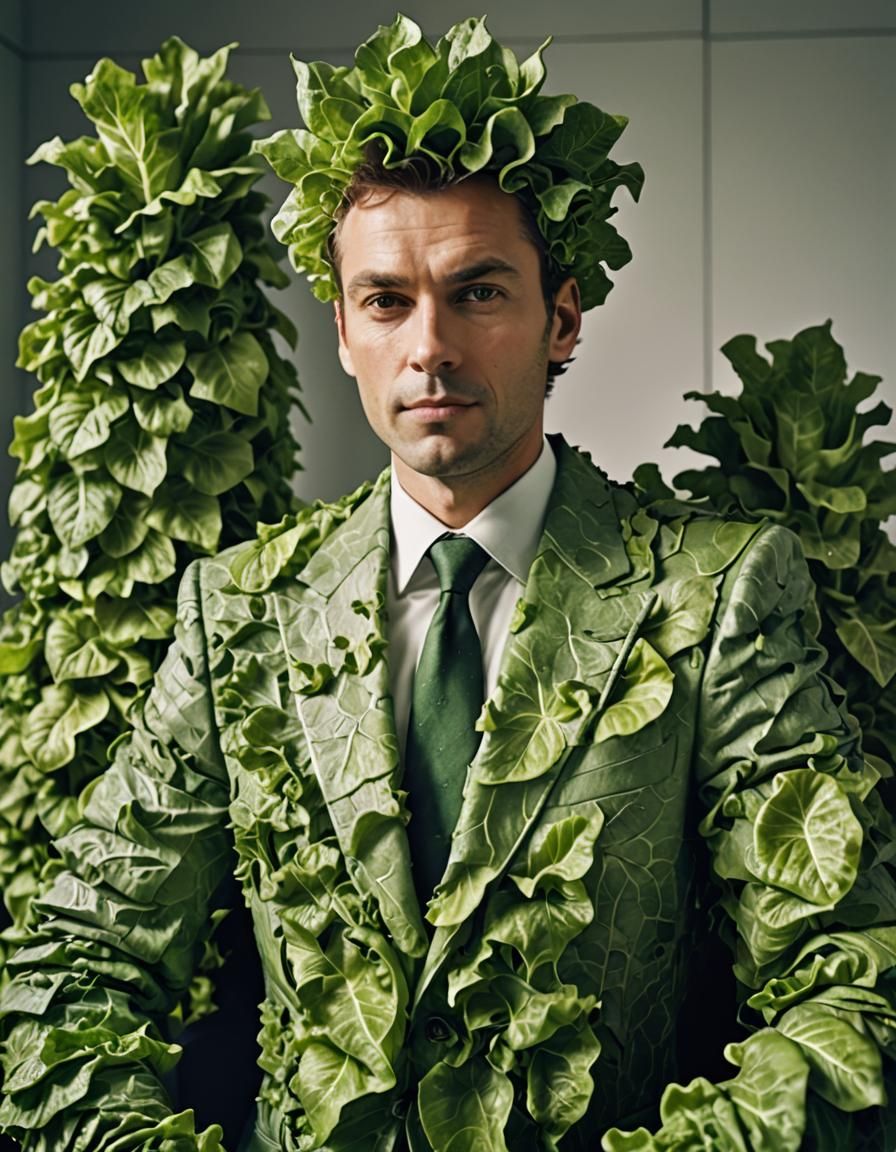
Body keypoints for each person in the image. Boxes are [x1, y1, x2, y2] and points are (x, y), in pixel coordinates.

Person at [1, 14, 895, 1152]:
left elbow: (844, 979)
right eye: (385, 300)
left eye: (476, 292)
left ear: (558, 316)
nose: (428, 346)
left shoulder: (714, 591)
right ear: (340, 330)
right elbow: (73, 956)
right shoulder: (239, 614)